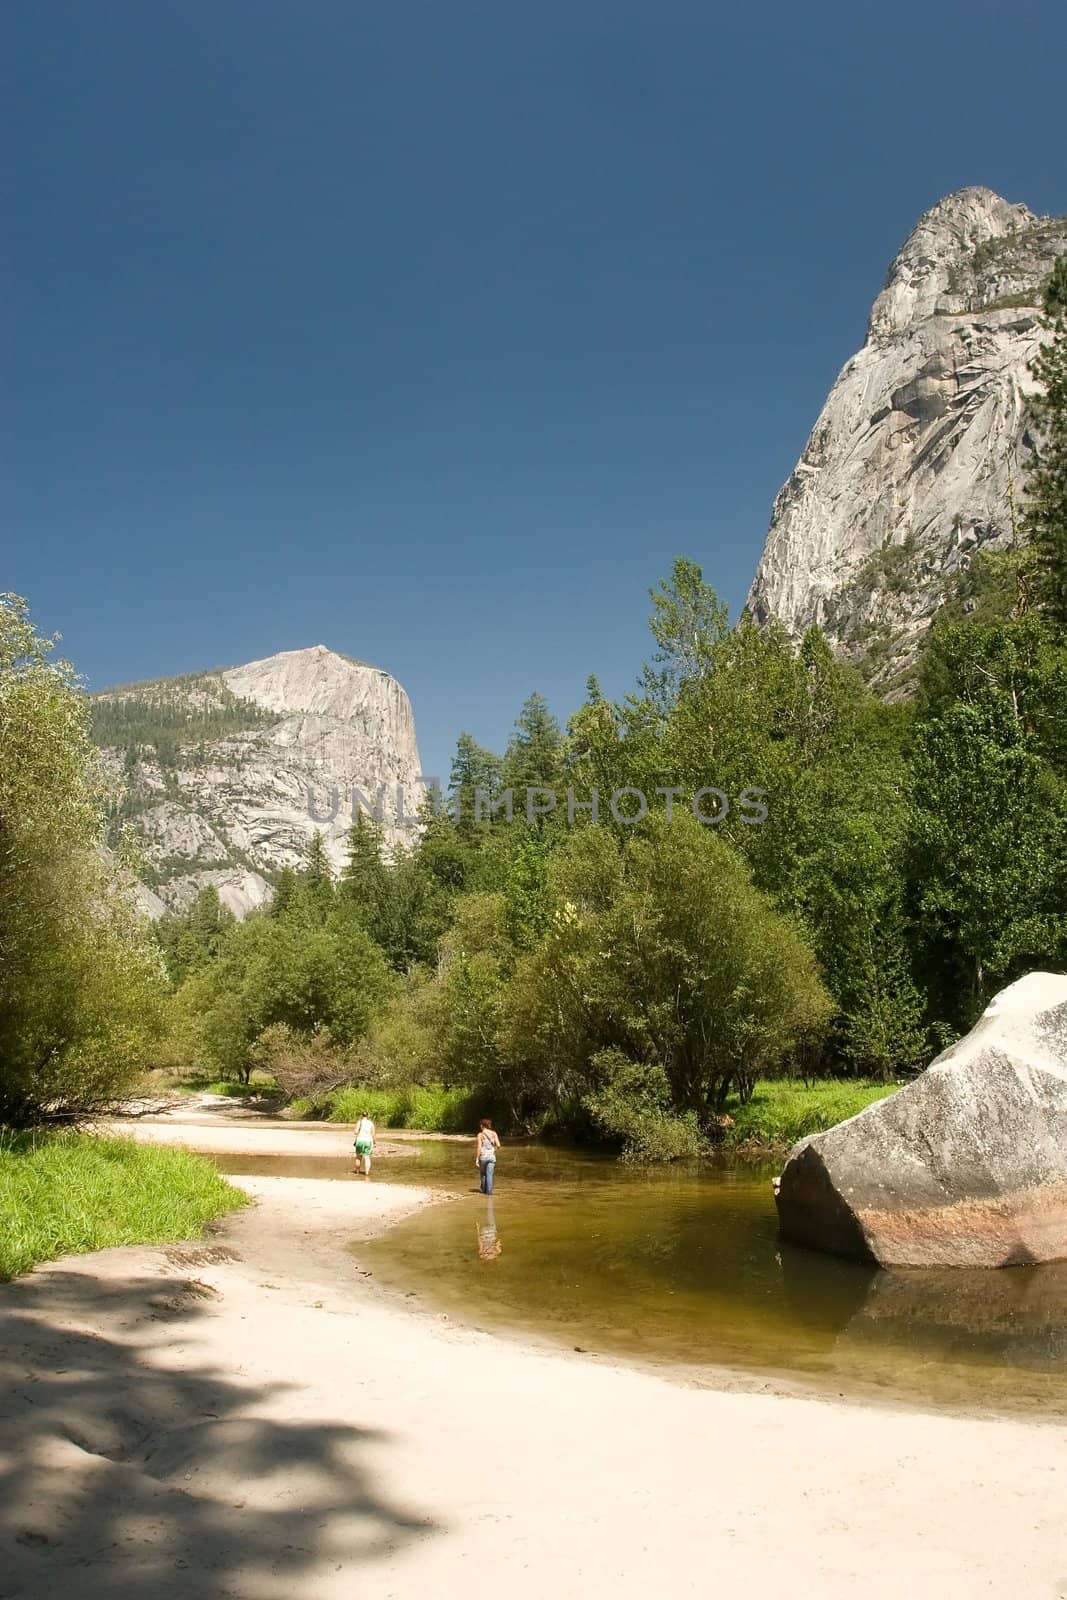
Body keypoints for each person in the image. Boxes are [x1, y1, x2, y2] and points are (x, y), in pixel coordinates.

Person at [475, 1118, 500, 1194]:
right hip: (492, 1157)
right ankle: (489, 1193)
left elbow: (479, 1147)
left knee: (483, 1174)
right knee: (490, 1175)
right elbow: (498, 1145)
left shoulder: (480, 1135)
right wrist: (493, 1151)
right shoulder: (494, 1133)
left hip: (483, 1157)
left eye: (480, 1125)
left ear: (482, 1126)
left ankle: (483, 1190)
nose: (480, 1126)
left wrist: (477, 1159)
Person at [353, 1111, 375, 1177]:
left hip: (360, 1140)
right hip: (368, 1141)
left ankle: (357, 1172)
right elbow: (373, 1134)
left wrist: (360, 1131)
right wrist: (374, 1142)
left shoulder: (359, 1122)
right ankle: (367, 1173)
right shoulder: (371, 1123)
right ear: (367, 1116)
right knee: (367, 1158)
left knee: (358, 1157)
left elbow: (355, 1132)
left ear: (362, 1115)